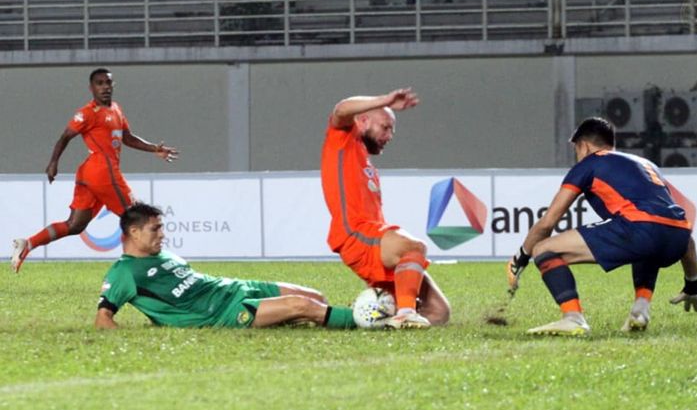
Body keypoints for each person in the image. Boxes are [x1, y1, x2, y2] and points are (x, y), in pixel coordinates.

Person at [507, 117, 697, 335]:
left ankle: (573, 318)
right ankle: (641, 309)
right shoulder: (647, 165)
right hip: (680, 236)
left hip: (640, 229)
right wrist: (693, 283)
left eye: (576, 149)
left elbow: (547, 223)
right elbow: (674, 225)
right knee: (648, 243)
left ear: (584, 145)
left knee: (544, 249)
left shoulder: (589, 163)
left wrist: (521, 257)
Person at [10, 68, 178, 274]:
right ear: (91, 88)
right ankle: (153, 270)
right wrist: (53, 162)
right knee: (137, 218)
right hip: (102, 172)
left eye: (108, 83)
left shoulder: (116, 109)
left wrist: (154, 148)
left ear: (113, 85)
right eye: (99, 83)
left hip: (90, 174)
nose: (105, 87)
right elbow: (65, 137)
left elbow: (128, 137)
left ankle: (28, 243)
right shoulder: (87, 113)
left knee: (75, 225)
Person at [95, 203, 357, 330]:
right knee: (302, 306)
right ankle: (371, 321)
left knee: (316, 298)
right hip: (223, 311)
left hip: (234, 287)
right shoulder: (124, 272)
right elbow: (102, 319)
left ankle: (287, 320)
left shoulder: (163, 255)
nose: (162, 235)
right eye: (155, 229)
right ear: (134, 232)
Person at [320, 88, 451, 329]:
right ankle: (405, 314)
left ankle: (388, 322)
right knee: (414, 247)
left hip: (371, 236)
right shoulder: (342, 140)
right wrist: (385, 100)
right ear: (362, 120)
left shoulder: (363, 158)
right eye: (385, 127)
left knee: (439, 312)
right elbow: (340, 109)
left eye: (392, 129)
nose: (389, 135)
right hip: (354, 234)